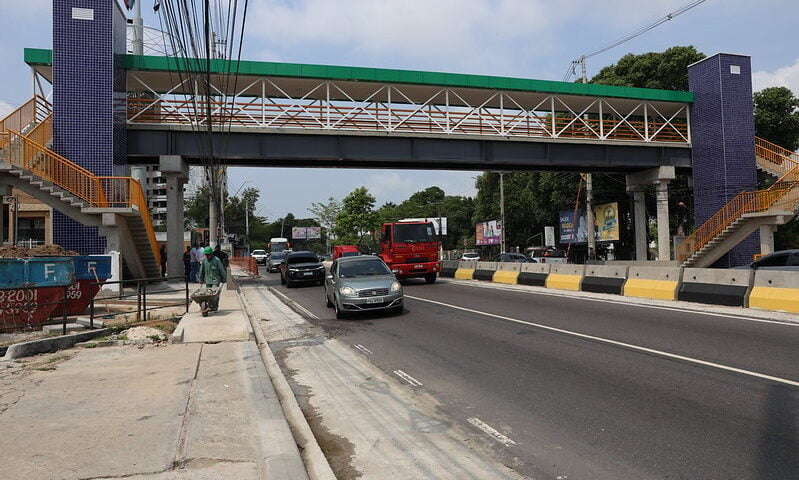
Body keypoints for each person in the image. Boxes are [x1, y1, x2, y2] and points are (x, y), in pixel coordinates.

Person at [197, 246, 226, 311]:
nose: (207, 256)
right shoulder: (204, 261)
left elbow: (221, 270)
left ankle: (214, 306)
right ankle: (210, 306)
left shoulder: (217, 260)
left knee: (214, 293)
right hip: (208, 281)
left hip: (215, 280)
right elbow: (202, 271)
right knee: (208, 294)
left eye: (208, 255)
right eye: (206, 255)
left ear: (211, 254)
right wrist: (201, 279)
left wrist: (224, 278)